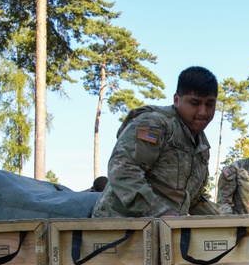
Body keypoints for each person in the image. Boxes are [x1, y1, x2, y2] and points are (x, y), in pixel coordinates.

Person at [93, 66, 219, 218]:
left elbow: (194, 199)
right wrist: (161, 212)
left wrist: (228, 220)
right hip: (118, 227)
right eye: (195, 103)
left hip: (162, 230)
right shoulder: (155, 124)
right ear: (177, 100)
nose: (203, 112)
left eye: (209, 104)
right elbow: (122, 170)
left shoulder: (201, 145)